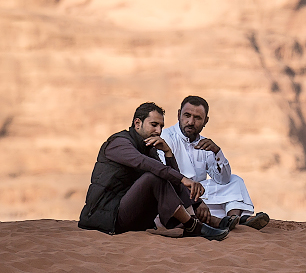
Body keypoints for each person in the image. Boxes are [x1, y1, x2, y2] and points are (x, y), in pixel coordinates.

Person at [78, 101, 229, 240]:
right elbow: (144, 163)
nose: (158, 131)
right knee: (154, 177)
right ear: (137, 123)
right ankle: (192, 225)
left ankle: (196, 221)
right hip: (107, 217)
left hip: (131, 217)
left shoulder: (148, 146)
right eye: (154, 125)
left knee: (165, 176)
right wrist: (183, 179)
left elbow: (170, 177)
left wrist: (168, 153)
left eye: (161, 126)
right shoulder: (118, 143)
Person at [159, 95, 270, 231]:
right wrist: (196, 201)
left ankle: (233, 219)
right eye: (187, 116)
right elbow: (165, 176)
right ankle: (233, 221)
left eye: (197, 118)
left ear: (206, 121)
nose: (191, 122)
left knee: (235, 180)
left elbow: (223, 180)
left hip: (199, 193)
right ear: (178, 115)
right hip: (177, 192)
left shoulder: (205, 143)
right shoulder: (166, 138)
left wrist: (217, 152)